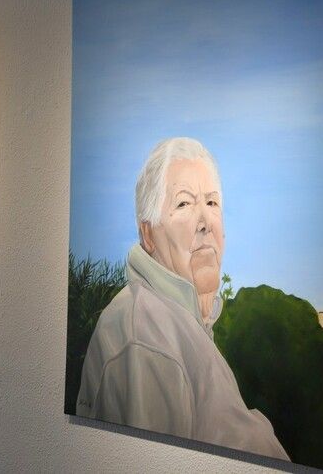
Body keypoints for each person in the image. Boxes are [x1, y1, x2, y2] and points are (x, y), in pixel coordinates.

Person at [77, 137, 289, 460]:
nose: (205, 223)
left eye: (212, 203)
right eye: (184, 204)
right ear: (148, 234)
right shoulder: (145, 334)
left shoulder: (181, 323)